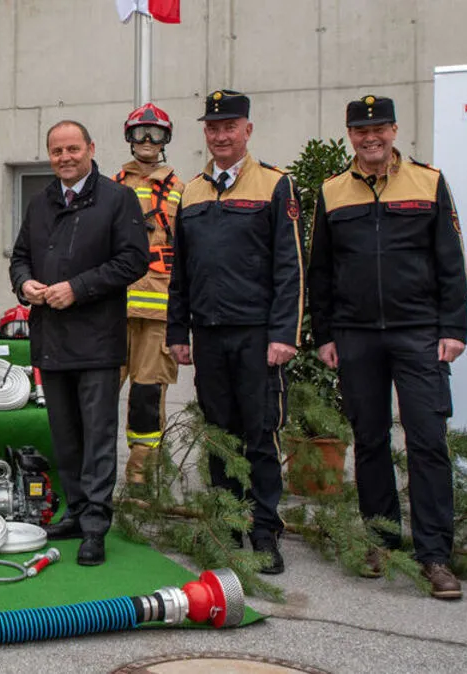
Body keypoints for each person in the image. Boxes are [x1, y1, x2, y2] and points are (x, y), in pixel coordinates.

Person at [308, 95, 467, 599]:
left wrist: (454, 328)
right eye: (360, 129)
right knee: (370, 440)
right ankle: (380, 540)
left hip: (418, 331)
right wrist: (326, 335)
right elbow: (321, 272)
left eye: (379, 128)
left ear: (395, 130)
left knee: (427, 441)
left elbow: (450, 259)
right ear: (350, 134)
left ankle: (436, 556)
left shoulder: (428, 181)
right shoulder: (332, 191)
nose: (370, 137)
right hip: (355, 336)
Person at [166, 90, 303, 574]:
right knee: (220, 436)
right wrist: (177, 330)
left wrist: (283, 334)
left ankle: (265, 530)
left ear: (247, 130)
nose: (220, 135)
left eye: (230, 126)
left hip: (258, 335)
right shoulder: (193, 190)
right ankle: (228, 522)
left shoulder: (275, 183)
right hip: (208, 334)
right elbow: (181, 269)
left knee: (261, 435)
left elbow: (291, 268)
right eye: (212, 127)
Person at [9, 120, 147, 566]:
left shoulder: (117, 198)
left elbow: (133, 260)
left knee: (98, 437)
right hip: (51, 339)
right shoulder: (40, 202)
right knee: (65, 436)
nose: (65, 158)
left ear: (90, 147)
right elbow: (21, 257)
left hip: (97, 340)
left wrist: (78, 288)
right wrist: (25, 284)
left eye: (72, 149)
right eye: (56, 151)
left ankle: (95, 528)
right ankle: (75, 510)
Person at [112, 103, 185, 488]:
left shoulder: (181, 191)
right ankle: (93, 476)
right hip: (112, 311)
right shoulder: (109, 185)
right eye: (140, 132)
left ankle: (141, 480)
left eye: (155, 134)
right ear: (129, 136)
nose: (146, 141)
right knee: (99, 397)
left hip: (158, 317)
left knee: (145, 398)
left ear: (165, 139)